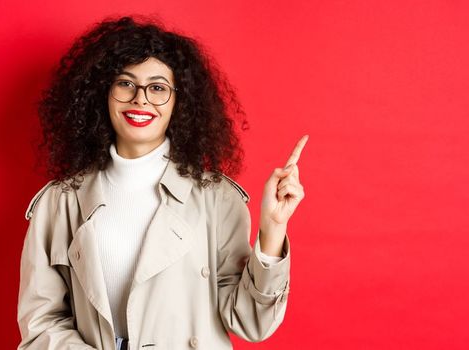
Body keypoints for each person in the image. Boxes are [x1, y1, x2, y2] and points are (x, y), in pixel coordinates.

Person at [17, 15, 307, 350]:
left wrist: (272, 231)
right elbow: (41, 323)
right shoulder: (60, 202)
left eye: (158, 88)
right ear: (103, 94)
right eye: (125, 83)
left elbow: (251, 323)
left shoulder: (217, 198)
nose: (140, 99)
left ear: (179, 103)